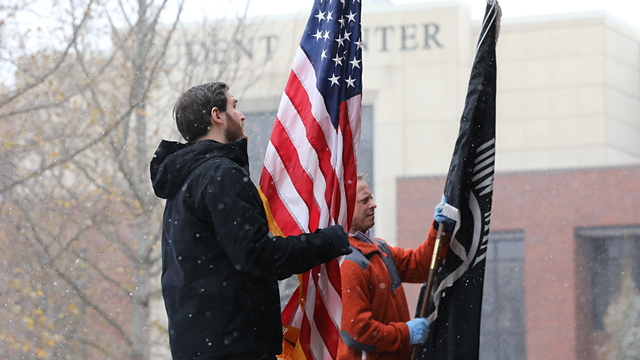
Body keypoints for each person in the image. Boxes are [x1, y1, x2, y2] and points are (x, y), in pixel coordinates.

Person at [150, 82, 352, 360]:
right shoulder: (221, 174)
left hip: (201, 345)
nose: (242, 115)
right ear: (217, 116)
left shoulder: (184, 181)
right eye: (234, 106)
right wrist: (326, 241)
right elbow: (257, 255)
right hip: (237, 346)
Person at [337, 175, 455, 360]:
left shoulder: (379, 249)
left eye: (372, 197)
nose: (373, 204)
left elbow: (419, 265)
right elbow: (357, 333)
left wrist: (439, 230)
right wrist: (406, 333)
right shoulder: (348, 264)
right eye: (365, 200)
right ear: (345, 209)